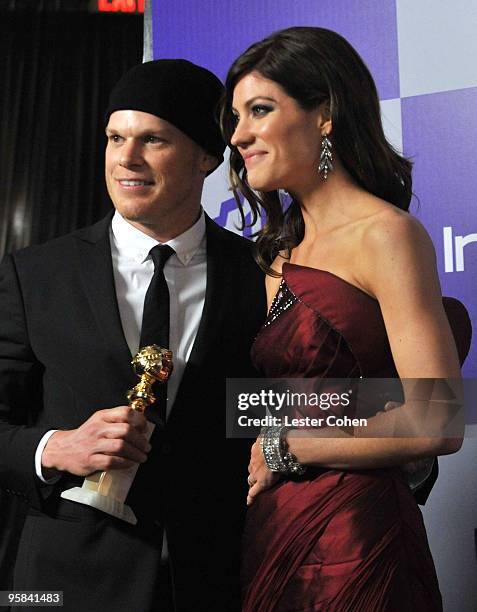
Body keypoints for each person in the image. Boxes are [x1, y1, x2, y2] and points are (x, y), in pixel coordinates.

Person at [220, 27, 471, 611]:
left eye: (260, 110)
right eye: (235, 117)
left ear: (325, 113)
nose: (239, 136)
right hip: (274, 526)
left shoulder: (386, 234)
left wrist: (291, 446)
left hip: (353, 537)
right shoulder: (278, 252)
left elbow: (437, 419)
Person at [0, 59, 266, 611]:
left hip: (220, 578)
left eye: (153, 140)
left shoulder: (260, 274)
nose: (126, 158)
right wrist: (56, 447)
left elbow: (271, 408)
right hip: (57, 585)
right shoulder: (35, 275)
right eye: (115, 137)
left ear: (206, 158)